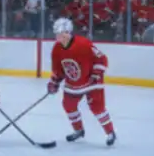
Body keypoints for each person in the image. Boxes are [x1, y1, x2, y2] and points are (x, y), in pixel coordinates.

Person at [48, 17, 117, 146]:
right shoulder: (56, 48)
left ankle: (110, 132)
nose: (58, 36)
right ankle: (78, 130)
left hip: (92, 82)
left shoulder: (83, 44)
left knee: (97, 108)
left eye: (60, 33)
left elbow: (102, 59)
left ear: (68, 32)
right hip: (73, 84)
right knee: (68, 105)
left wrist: (96, 74)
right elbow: (58, 69)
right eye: (56, 33)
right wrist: (54, 82)